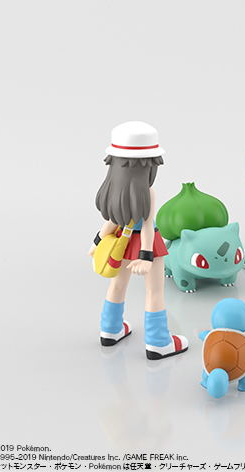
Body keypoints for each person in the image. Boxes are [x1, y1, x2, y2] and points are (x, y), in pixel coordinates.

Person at [89, 121, 189, 360]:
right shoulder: (147, 192)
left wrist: (97, 242)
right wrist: (145, 256)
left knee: (117, 285)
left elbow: (111, 222)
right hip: (145, 245)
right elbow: (146, 226)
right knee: (154, 291)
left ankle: (110, 330)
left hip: (120, 243)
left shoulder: (113, 189)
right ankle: (159, 342)